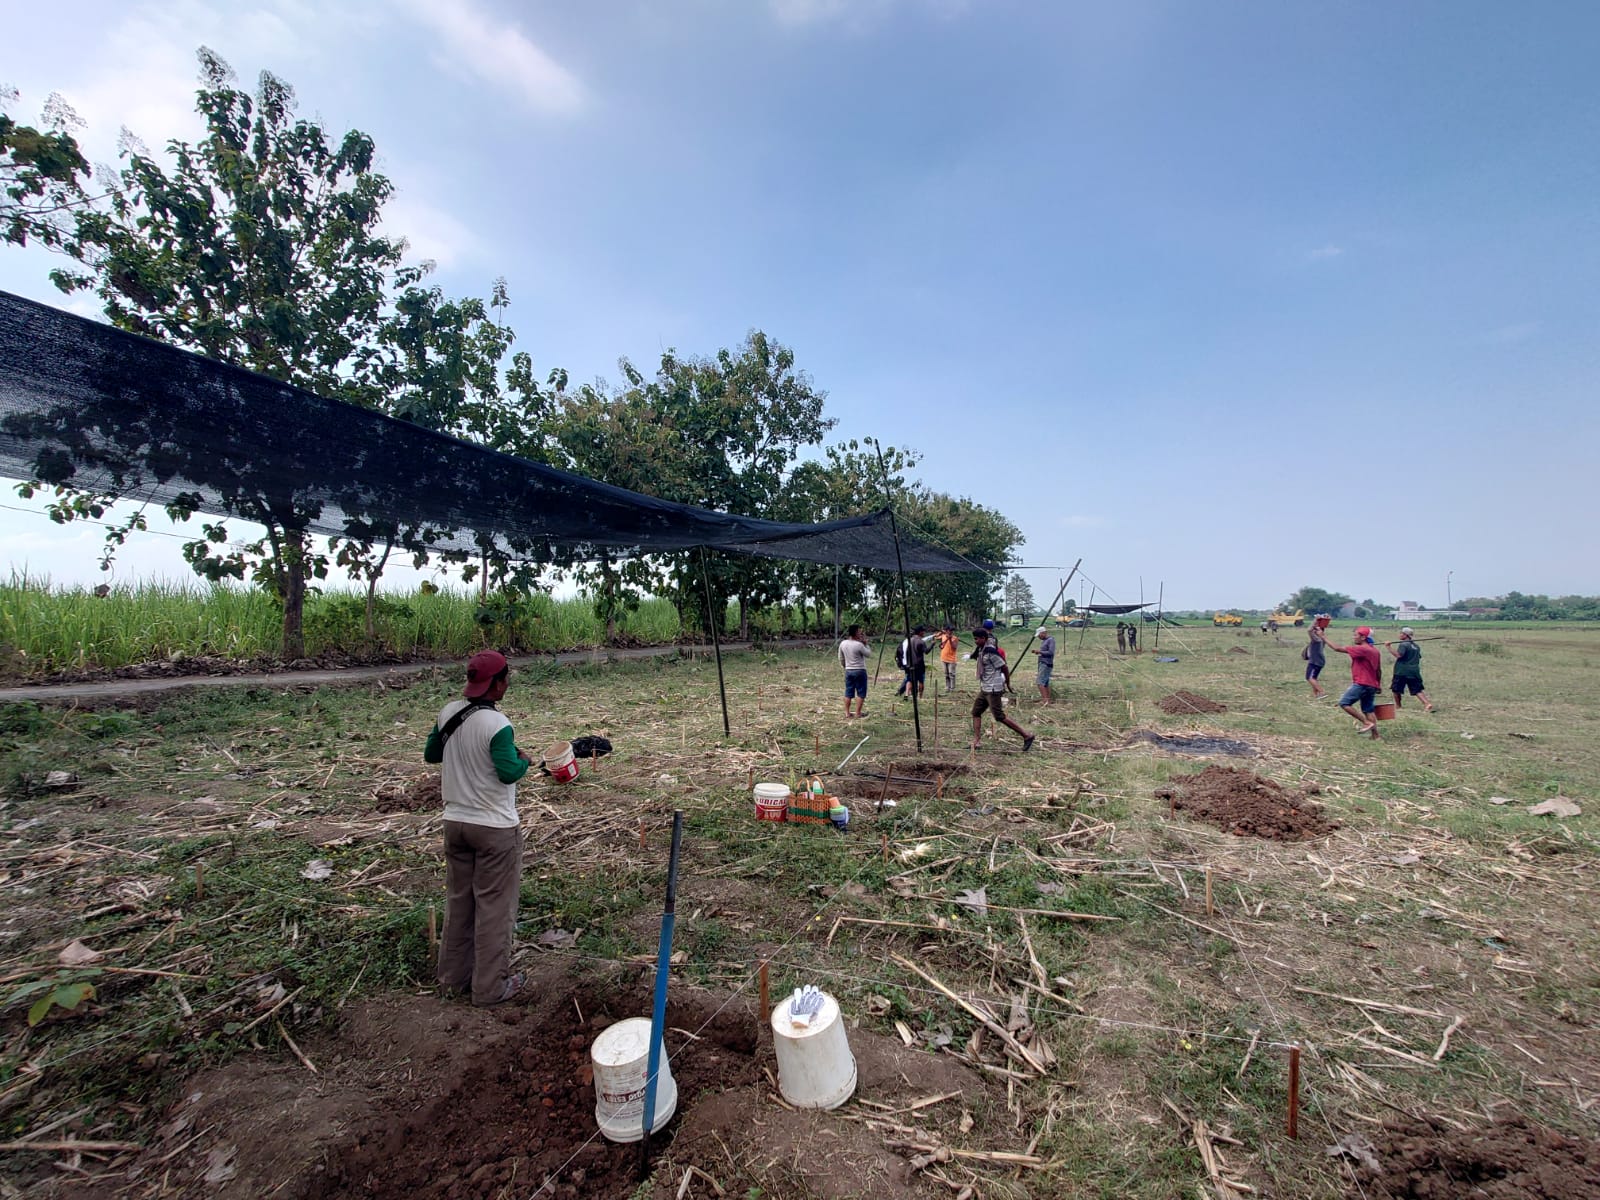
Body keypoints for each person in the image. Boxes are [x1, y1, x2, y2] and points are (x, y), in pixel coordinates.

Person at [424, 650, 531, 1006]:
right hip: (493, 828)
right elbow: (508, 772)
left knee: (459, 904)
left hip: (455, 823)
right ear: (498, 683)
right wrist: (524, 762)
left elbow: (432, 754)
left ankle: (452, 981)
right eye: (506, 678)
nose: (506, 684)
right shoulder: (498, 725)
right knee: (494, 909)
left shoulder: (448, 713)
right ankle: (489, 988)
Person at [970, 629, 1035, 752]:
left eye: (977, 639)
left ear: (984, 638)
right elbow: (976, 657)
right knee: (975, 712)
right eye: (974, 639)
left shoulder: (991, 652)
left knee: (999, 716)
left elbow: (1004, 667)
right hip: (985, 687)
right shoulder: (981, 650)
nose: (976, 641)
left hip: (993, 688)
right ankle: (976, 742)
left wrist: (1008, 683)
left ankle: (1027, 735)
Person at [1327, 625, 1383, 738]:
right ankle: (1376, 736)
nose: (1354, 637)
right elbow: (1378, 670)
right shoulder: (1375, 651)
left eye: (1356, 635)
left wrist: (1323, 636)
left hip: (1362, 683)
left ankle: (1367, 723)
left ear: (1363, 637)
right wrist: (1378, 684)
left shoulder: (1362, 649)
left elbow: (1337, 648)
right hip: (1371, 684)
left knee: (1344, 703)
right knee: (1368, 710)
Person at [1386, 627, 1434, 712]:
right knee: (1417, 689)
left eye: (1401, 633)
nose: (1400, 635)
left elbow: (1398, 655)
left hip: (1402, 671)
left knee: (1396, 689)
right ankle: (1427, 703)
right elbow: (1418, 657)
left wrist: (1388, 647)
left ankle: (1398, 706)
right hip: (1414, 671)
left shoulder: (1403, 644)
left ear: (1405, 635)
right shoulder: (1416, 646)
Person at [838, 624, 870, 718]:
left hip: (848, 670)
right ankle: (858, 713)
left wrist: (845, 666)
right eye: (859, 632)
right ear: (855, 633)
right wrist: (866, 644)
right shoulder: (859, 645)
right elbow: (868, 654)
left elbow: (840, 658)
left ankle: (847, 713)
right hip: (860, 670)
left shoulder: (843, 643)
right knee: (861, 692)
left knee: (848, 692)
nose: (861, 634)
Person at [1304, 614, 1330, 698]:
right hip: (1320, 661)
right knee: (1313, 677)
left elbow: (1309, 630)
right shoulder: (1323, 638)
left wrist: (1315, 620)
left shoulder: (1317, 639)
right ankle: (1315, 694)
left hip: (1315, 661)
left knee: (1309, 677)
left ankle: (1322, 692)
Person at [936, 624, 961, 693]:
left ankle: (952, 688)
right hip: (943, 658)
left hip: (951, 659)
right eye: (949, 630)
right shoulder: (943, 636)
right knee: (946, 674)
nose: (950, 632)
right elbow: (935, 637)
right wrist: (940, 633)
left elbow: (954, 647)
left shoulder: (955, 638)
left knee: (951, 674)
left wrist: (949, 639)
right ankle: (947, 687)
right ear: (946, 631)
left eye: (951, 631)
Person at [1034, 626, 1056, 705]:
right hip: (1043, 662)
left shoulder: (1050, 640)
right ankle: (1047, 700)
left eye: (1039, 635)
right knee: (1045, 682)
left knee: (1040, 682)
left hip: (1046, 663)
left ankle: (1045, 701)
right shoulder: (1045, 641)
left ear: (1043, 633)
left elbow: (1051, 652)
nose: (1039, 637)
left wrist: (1040, 652)